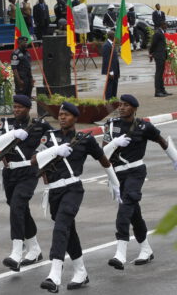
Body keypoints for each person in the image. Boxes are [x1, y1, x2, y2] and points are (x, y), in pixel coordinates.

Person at [32, 102, 121, 293]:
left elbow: (103, 159)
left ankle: (54, 274)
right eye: (61, 114)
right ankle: (81, 272)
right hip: (53, 192)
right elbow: (34, 160)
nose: (62, 117)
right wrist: (55, 150)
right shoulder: (49, 137)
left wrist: (115, 182)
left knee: (61, 226)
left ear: (75, 118)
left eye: (66, 114)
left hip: (73, 189)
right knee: (68, 231)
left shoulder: (84, 140)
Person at [103, 94, 177, 271]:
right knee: (134, 213)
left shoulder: (144, 126)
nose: (121, 107)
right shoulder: (111, 125)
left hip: (136, 172)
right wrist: (114, 143)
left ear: (134, 109)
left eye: (126, 105)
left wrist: (174, 159)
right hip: (117, 174)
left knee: (126, 206)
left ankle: (120, 252)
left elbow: (161, 141)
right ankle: (145, 249)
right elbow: (102, 153)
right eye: (120, 104)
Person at [0, 95, 52, 272]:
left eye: (20, 107)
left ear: (28, 108)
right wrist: (12, 134)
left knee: (17, 206)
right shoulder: (5, 125)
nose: (16, 110)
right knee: (20, 209)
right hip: (10, 172)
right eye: (14, 107)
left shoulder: (40, 125)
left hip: (29, 172)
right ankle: (34, 249)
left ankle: (16, 252)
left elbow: (55, 140)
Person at [149, 21, 172, 97]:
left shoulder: (161, 32)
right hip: (159, 56)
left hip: (162, 55)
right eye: (165, 24)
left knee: (161, 74)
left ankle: (162, 90)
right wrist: (151, 53)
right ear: (162, 25)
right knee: (158, 74)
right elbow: (153, 44)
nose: (166, 26)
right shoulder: (158, 33)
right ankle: (157, 91)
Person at [102, 31, 120, 100]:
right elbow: (106, 60)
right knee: (110, 86)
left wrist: (118, 71)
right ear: (111, 37)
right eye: (114, 36)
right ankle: (109, 100)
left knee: (114, 85)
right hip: (111, 70)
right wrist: (110, 71)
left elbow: (115, 59)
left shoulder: (112, 44)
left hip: (115, 69)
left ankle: (113, 98)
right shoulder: (106, 45)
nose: (115, 37)